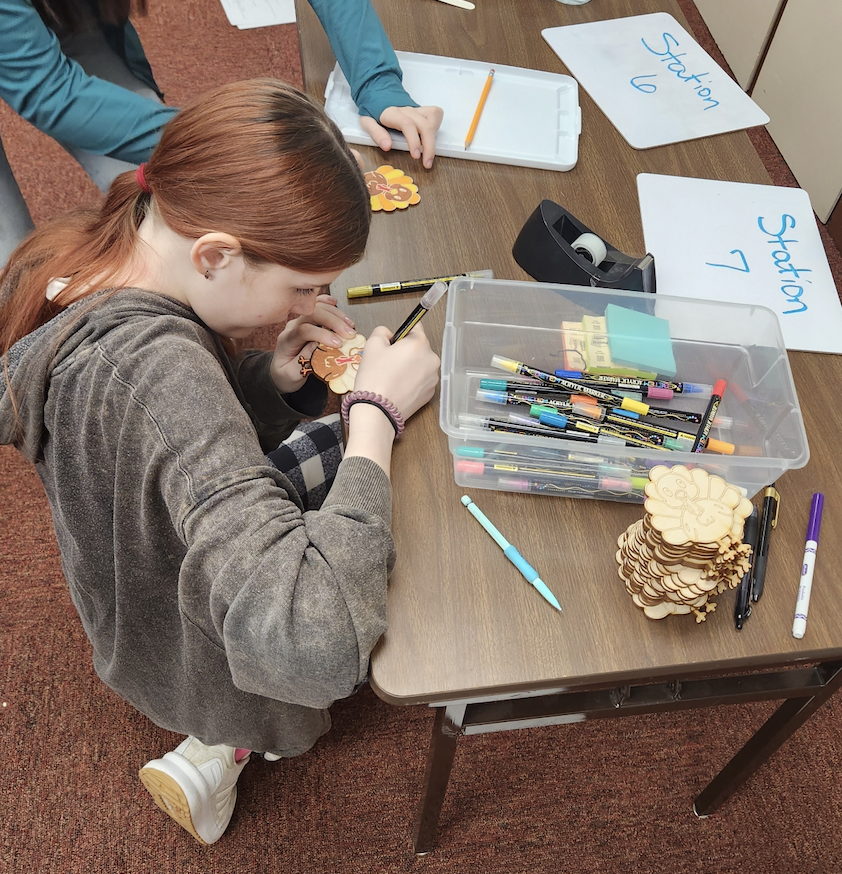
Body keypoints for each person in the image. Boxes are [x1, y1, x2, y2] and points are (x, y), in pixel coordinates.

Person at [0, 78, 440, 844]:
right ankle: (226, 743)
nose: (315, 300)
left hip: (135, 564)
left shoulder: (103, 255)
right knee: (370, 496)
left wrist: (267, 379)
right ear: (215, 255)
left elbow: (168, 433)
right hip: (184, 623)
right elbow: (310, 642)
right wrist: (374, 415)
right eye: (302, 284)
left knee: (331, 460)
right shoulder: (160, 375)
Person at [0, 0, 444, 263]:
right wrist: (245, 140)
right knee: (10, 270)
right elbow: (52, 93)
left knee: (172, 182)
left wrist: (378, 82)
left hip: (61, 14)